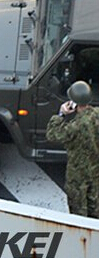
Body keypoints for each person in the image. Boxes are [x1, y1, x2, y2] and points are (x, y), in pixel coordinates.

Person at [45, 81, 99, 218]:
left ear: (74, 103)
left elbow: (52, 134)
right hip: (95, 171)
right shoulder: (96, 114)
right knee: (95, 206)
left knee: (78, 211)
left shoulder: (75, 127)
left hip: (78, 174)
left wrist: (61, 114)